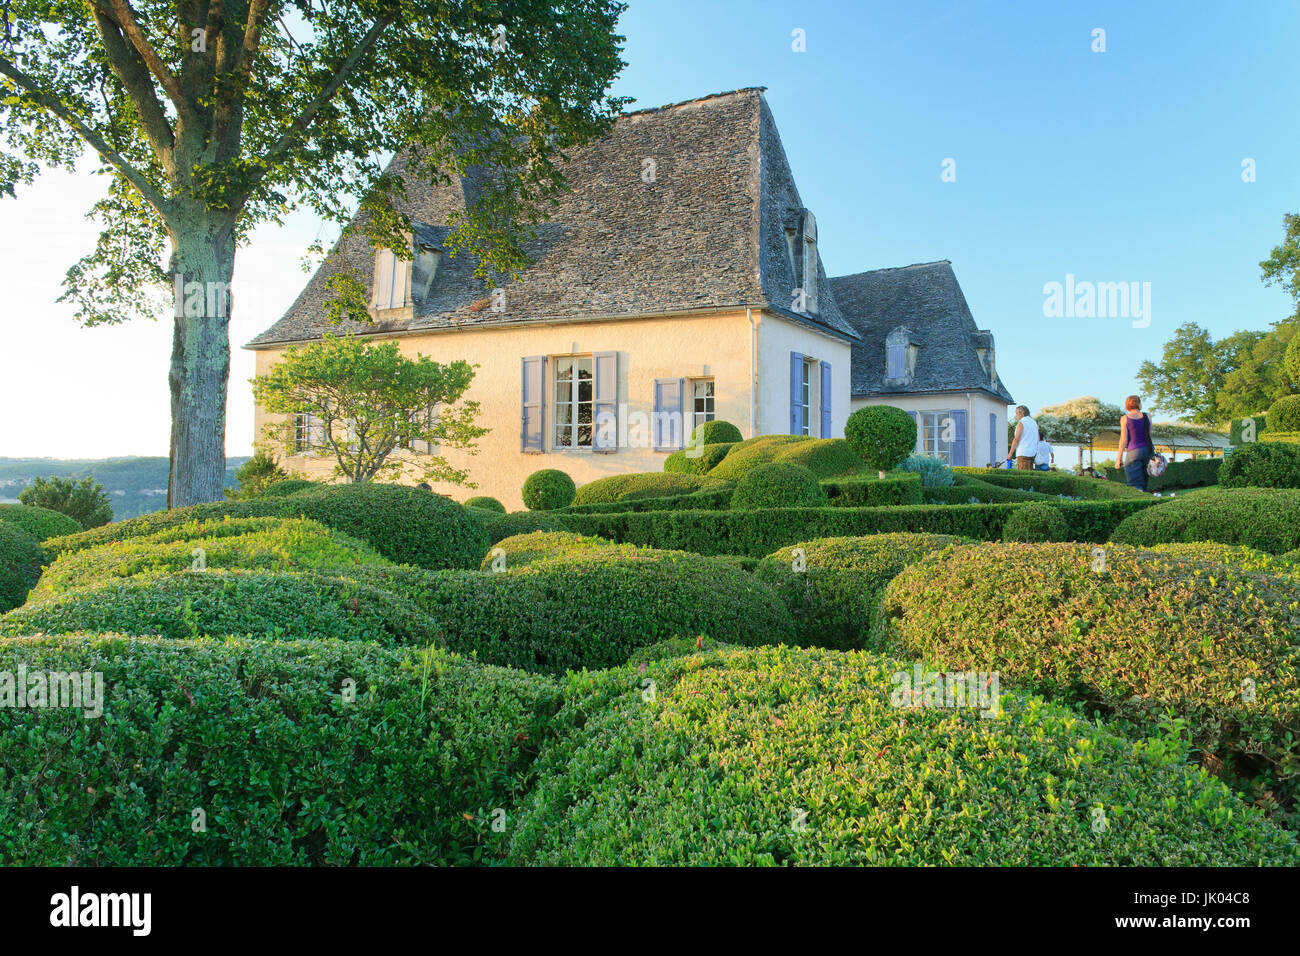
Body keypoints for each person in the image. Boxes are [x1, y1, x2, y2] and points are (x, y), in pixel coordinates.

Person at [1115, 395, 1154, 492]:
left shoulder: (1125, 418)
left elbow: (1123, 440)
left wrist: (1118, 459)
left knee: (1135, 484)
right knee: (1145, 481)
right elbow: (1148, 434)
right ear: (1139, 403)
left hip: (1134, 451)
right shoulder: (1148, 416)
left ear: (1127, 405)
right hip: (1148, 451)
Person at [1006, 405, 1039, 470]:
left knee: (1023, 475)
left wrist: (1010, 453)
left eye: (1016, 413)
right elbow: (1038, 439)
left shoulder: (1022, 422)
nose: (1016, 415)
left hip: (1023, 453)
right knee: (1030, 475)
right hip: (1032, 453)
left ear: (1022, 413)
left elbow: (1016, 439)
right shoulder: (1034, 422)